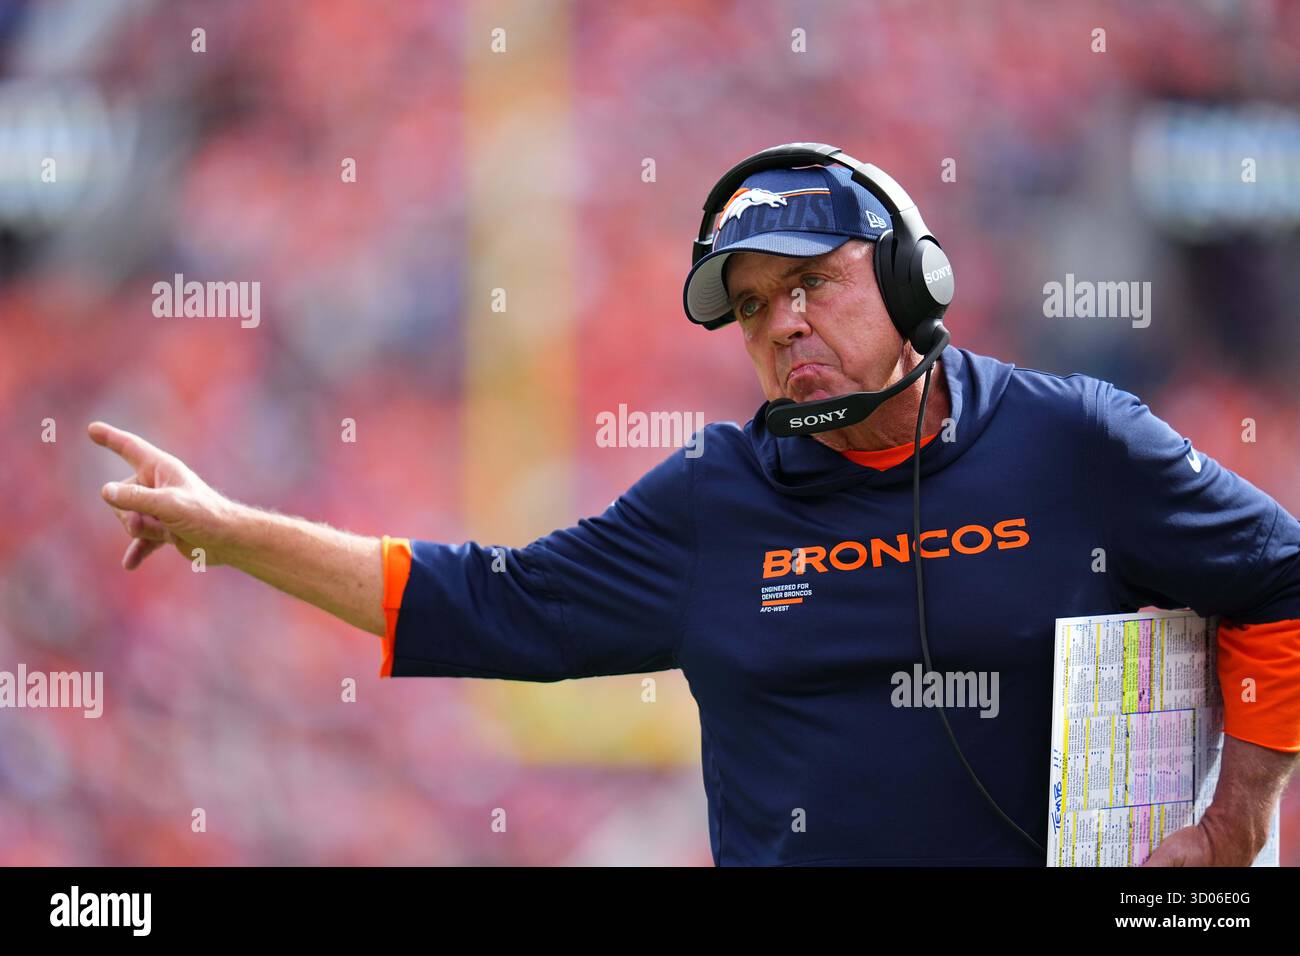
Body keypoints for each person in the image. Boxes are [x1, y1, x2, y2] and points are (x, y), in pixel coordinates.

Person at [89, 159, 1300, 867]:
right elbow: (482, 604)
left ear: (908, 280)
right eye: (755, 304)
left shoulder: (1075, 441)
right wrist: (223, 526)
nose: (780, 325)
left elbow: (1279, 578)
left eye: (811, 284)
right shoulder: (712, 500)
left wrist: (1237, 812)